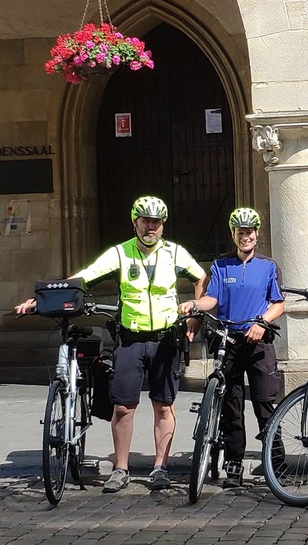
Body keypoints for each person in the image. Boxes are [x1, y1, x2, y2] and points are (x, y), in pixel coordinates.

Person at [15, 196, 206, 492]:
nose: (151, 227)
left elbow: (201, 277)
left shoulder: (175, 253)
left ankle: (160, 467)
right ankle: (120, 468)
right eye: (145, 221)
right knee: (122, 408)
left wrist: (195, 316)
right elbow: (83, 278)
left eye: (156, 222)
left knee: (164, 406)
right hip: (130, 339)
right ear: (135, 223)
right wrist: (43, 298)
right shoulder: (120, 253)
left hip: (166, 338)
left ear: (162, 225)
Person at [183, 207, 285, 487]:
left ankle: (275, 461)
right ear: (233, 235)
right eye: (241, 232)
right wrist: (194, 305)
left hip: (258, 341)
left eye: (250, 231)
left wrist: (262, 322)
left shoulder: (268, 266)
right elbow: (211, 298)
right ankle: (234, 462)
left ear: (257, 234)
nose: (246, 236)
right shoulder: (220, 265)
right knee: (231, 405)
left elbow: (278, 304)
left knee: (265, 403)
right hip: (229, 339)